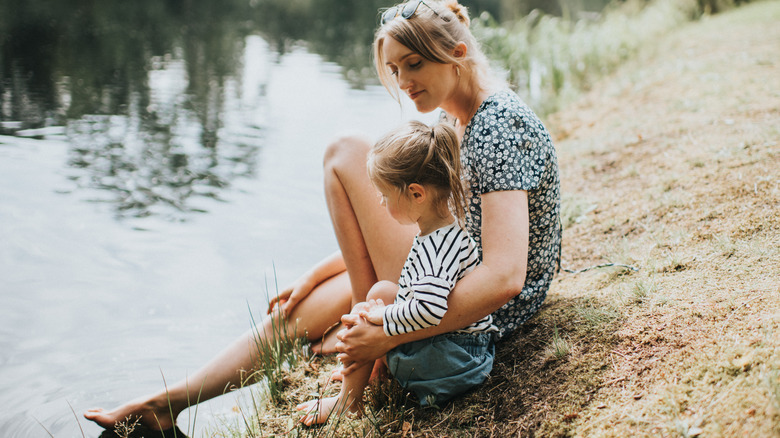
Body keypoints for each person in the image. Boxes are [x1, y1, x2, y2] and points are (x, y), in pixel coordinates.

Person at [84, 0, 560, 430]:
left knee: (344, 152)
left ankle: (358, 350)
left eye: (414, 64)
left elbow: (504, 278)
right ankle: (168, 404)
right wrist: (318, 272)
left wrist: (385, 333)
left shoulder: (497, 124)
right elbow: (433, 223)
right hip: (448, 268)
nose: (403, 82)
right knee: (293, 312)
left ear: (457, 53)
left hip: (480, 305)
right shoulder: (452, 117)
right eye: (395, 69)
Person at [296, 120, 496, 425]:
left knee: (368, 314)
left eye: (385, 196)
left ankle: (348, 402)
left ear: (416, 194)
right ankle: (370, 371)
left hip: (456, 364)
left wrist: (380, 321)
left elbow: (429, 310)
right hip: (463, 352)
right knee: (381, 293)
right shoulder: (442, 230)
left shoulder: (437, 248)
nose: (380, 201)